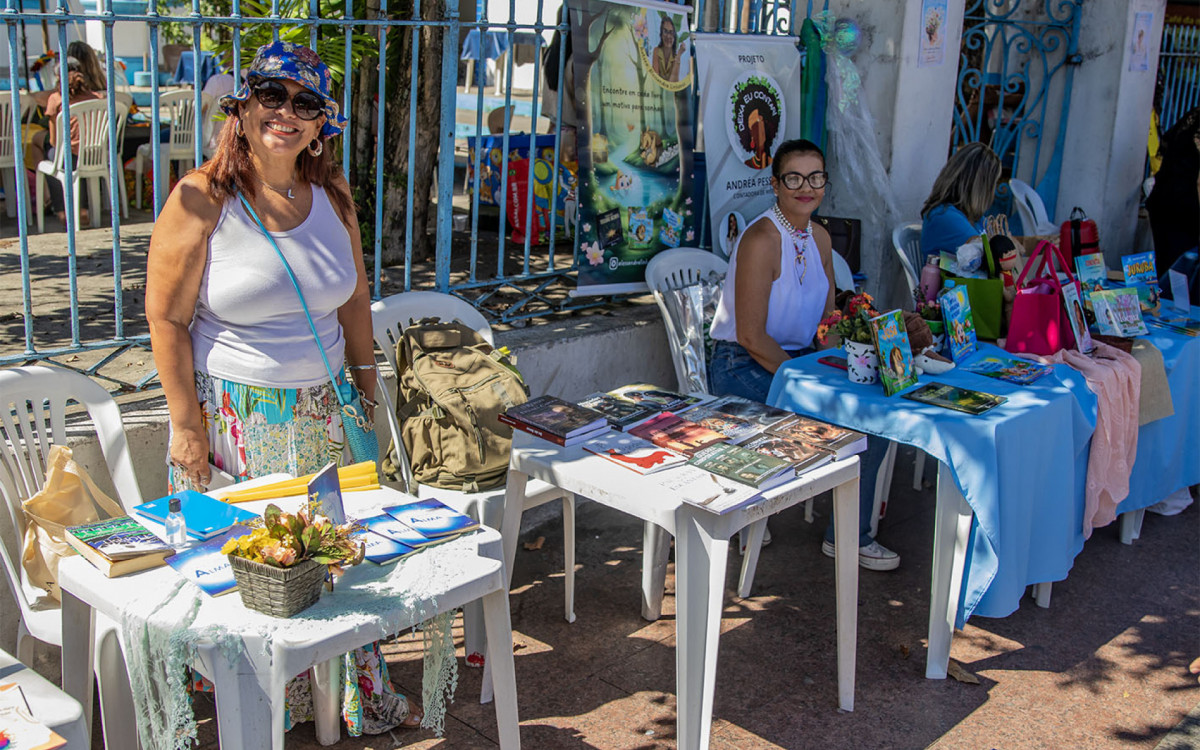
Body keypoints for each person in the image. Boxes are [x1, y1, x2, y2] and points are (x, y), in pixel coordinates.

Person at [145, 41, 421, 735]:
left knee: (330, 561)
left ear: (321, 123)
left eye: (306, 103)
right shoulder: (201, 198)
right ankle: (261, 707)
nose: (286, 113)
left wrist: (367, 394)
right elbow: (166, 318)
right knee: (258, 569)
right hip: (239, 419)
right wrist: (186, 427)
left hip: (325, 412)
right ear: (242, 107)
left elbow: (353, 303)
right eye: (271, 95)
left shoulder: (333, 194)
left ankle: (339, 699)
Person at [708, 138, 900, 571]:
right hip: (742, 363)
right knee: (834, 424)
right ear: (775, 184)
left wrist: (843, 372)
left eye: (815, 178)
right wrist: (810, 384)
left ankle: (845, 536)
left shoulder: (820, 238)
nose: (806, 187)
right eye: (793, 178)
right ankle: (762, 512)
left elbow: (827, 325)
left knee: (874, 420)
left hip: (798, 361)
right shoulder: (761, 238)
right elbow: (750, 335)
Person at [37, 56, 104, 224]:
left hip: (70, 155)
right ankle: (83, 209)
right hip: (95, 155)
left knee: (53, 158)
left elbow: (54, 140)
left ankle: (62, 211)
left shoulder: (56, 99)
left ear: (58, 77)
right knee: (75, 162)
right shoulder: (98, 98)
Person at [920, 141, 1002, 257]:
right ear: (982, 188)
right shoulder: (945, 216)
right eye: (993, 184)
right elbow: (991, 253)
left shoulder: (973, 217)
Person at [652, 17, 683, 82]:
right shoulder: (656, 51)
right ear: (661, 34)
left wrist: (679, 54)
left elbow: (674, 81)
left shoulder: (676, 57)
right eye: (665, 31)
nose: (668, 36)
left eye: (671, 32)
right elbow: (655, 79)